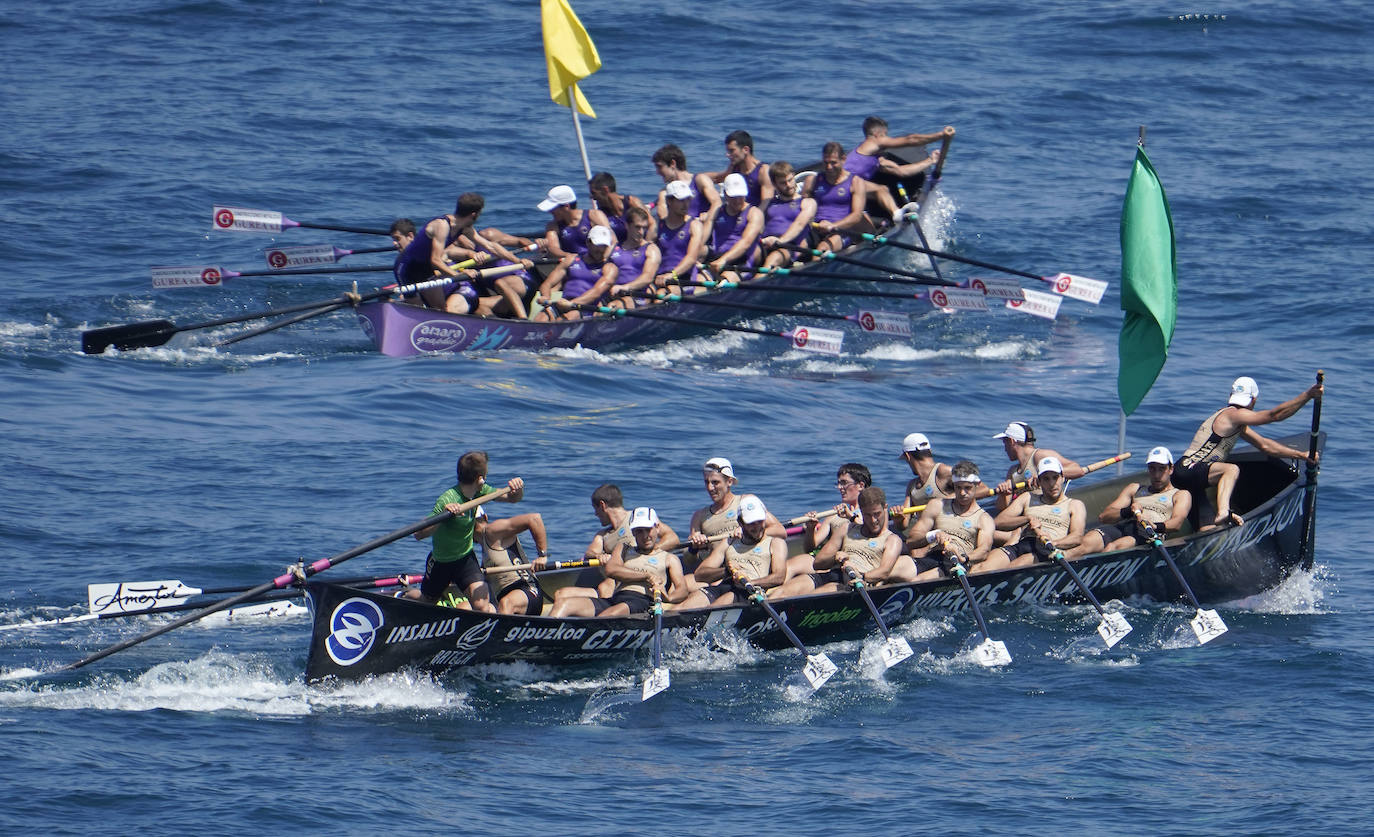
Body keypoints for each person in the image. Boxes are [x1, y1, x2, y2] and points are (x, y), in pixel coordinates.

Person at [1173, 375, 1323, 528]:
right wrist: (1307, 395)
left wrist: (1301, 455)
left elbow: (1265, 446)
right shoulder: (1233, 415)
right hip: (1190, 469)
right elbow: (1274, 415)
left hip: (1188, 477)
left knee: (1207, 528)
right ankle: (1224, 511)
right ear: (1254, 400)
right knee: (1230, 470)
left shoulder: (1233, 421)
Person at [408, 451, 526, 611]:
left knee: (482, 605)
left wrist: (517, 489)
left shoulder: (480, 491)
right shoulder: (448, 499)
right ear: (479, 478)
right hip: (441, 562)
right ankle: (405, 596)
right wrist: (444, 515)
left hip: (465, 560)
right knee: (426, 603)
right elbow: (419, 534)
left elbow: (512, 499)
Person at [543, 483, 680, 605]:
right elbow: (589, 554)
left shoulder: (637, 519)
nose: (595, 514)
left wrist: (651, 551)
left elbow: (672, 538)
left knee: (606, 587)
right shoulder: (603, 535)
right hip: (615, 579)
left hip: (641, 582)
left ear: (602, 505)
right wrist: (599, 555)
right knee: (561, 594)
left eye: (595, 509)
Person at [773, 486, 915, 597]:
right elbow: (818, 563)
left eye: (877, 514)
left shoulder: (892, 539)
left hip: (857, 585)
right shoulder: (846, 529)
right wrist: (835, 557)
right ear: (861, 513)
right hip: (834, 574)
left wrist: (860, 575)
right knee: (781, 593)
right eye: (867, 515)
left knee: (815, 595)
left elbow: (883, 572)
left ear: (885, 508)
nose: (873, 520)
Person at [548, 507, 688, 618]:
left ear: (657, 528)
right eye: (639, 531)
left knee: (607, 616)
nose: (645, 536)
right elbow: (611, 570)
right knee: (564, 603)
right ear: (633, 532)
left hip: (642, 602)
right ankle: (547, 639)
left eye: (648, 529)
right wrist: (646, 576)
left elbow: (682, 590)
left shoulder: (669, 558)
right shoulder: (624, 548)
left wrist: (668, 597)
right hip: (615, 598)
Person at [1067, 446, 1191, 558]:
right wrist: (1128, 511)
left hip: (1148, 534)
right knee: (1087, 541)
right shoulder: (1135, 488)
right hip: (1125, 526)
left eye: (1162, 469)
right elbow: (1104, 517)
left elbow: (1177, 523)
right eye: (1152, 469)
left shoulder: (1180, 494)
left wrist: (1155, 526)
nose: (1157, 474)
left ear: (1171, 469)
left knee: (1113, 547)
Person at [678, 496, 787, 609]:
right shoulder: (729, 542)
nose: (757, 527)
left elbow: (779, 577)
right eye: (751, 523)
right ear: (740, 522)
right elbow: (699, 575)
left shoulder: (775, 543)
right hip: (724, 586)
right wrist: (726, 571)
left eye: (759, 521)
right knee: (684, 606)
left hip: (748, 592)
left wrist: (752, 582)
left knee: (716, 607)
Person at [989, 457, 1087, 570]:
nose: (1051, 484)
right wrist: (1027, 519)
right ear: (1039, 482)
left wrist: (1054, 542)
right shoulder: (1027, 497)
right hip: (1023, 543)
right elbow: (998, 522)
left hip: (1046, 550)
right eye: (1046, 479)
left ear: (1063, 478)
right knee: (985, 565)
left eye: (1055, 477)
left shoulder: (1074, 505)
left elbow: (1077, 537)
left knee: (1017, 565)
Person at [392, 194, 487, 311]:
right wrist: (458, 275)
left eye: (397, 239)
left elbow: (482, 247)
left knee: (439, 308)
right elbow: (436, 260)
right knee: (417, 308)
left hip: (427, 270)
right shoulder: (443, 227)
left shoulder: (459, 231)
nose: (394, 244)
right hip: (406, 269)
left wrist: (514, 260)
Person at [845, 118, 953, 220]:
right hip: (846, 184)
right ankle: (897, 214)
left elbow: (901, 171)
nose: (886, 139)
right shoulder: (874, 142)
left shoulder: (875, 159)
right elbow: (911, 139)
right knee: (881, 189)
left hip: (850, 190)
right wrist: (941, 135)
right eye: (885, 135)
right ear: (877, 134)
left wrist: (930, 160)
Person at [905, 460, 996, 580]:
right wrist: (933, 535)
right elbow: (911, 540)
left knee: (916, 581)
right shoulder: (937, 506)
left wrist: (963, 557)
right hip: (932, 556)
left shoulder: (984, 519)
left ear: (977, 485)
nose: (962, 493)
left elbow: (984, 551)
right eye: (958, 488)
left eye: (967, 488)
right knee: (899, 565)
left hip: (956, 564)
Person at [991, 421, 1086, 511]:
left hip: (1045, 512)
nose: (1005, 449)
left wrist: (1044, 474)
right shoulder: (1013, 471)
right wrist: (1003, 494)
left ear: (1012, 441)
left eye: (1005, 443)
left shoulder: (1040, 456)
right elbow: (1002, 507)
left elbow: (1078, 470)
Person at [534, 225, 620, 321]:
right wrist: (546, 298)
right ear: (588, 242)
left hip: (587, 308)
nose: (600, 250)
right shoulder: (571, 259)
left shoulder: (610, 268)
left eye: (604, 246)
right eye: (597, 245)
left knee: (569, 317)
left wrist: (572, 304)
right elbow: (547, 284)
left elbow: (596, 293)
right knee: (541, 318)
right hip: (564, 303)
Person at [804, 142, 871, 253]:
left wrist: (833, 226)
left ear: (843, 159)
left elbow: (856, 216)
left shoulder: (856, 182)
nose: (829, 167)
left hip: (841, 231)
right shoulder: (813, 180)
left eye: (833, 163)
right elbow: (801, 208)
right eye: (826, 162)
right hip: (815, 228)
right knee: (796, 246)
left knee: (822, 250)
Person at [481, 511, 550, 616]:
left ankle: (501, 632)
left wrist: (542, 556)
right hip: (500, 599)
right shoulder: (471, 546)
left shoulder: (493, 531)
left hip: (527, 590)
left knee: (506, 603)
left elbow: (534, 518)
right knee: (464, 607)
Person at [891, 432, 955, 533]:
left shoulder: (944, 472)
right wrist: (899, 520)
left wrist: (952, 499)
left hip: (950, 532)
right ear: (929, 451)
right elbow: (904, 525)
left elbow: (984, 489)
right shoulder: (912, 487)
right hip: (927, 536)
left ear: (907, 456)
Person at [759, 161, 817, 270]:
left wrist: (779, 241)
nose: (789, 185)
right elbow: (754, 223)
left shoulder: (808, 202)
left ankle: (754, 285)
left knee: (774, 258)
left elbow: (799, 225)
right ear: (775, 184)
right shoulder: (767, 202)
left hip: (789, 246)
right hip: (766, 244)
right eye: (783, 183)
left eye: (790, 180)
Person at [706, 173, 764, 281]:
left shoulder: (754, 213)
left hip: (742, 262)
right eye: (733, 197)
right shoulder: (717, 212)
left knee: (725, 279)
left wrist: (724, 260)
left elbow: (746, 243)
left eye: (740, 196)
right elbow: (703, 237)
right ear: (725, 194)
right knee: (699, 279)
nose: (737, 201)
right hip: (717, 260)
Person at [653, 180, 708, 294]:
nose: (686, 204)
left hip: (683, 278)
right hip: (660, 278)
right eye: (681, 200)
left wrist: (671, 275)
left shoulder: (694, 225)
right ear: (669, 201)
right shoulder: (658, 226)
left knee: (661, 296)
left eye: (688, 199)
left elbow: (691, 258)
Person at [652, 143, 721, 226]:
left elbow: (717, 203)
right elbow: (663, 215)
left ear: (672, 164)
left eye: (660, 167)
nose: (657, 172)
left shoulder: (699, 180)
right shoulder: (664, 192)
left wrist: (708, 215)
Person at [607, 205, 662, 308]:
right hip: (613, 293)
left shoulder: (651, 249)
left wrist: (625, 287)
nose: (641, 232)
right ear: (627, 225)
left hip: (637, 295)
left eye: (644, 228)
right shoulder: (613, 248)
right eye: (637, 227)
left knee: (614, 306)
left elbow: (647, 277)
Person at [539, 184, 610, 260]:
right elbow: (553, 249)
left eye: (553, 208)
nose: (550, 212)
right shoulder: (552, 226)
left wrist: (603, 259)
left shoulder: (594, 215)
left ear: (566, 206)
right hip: (572, 264)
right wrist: (573, 257)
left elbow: (612, 241)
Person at [706, 130, 773, 208]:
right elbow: (718, 178)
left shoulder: (763, 171)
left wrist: (753, 217)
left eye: (731, 151)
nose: (727, 155)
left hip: (755, 215)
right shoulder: (734, 168)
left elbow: (766, 203)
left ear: (746, 150)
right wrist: (693, 178)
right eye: (728, 151)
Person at [588, 171, 651, 244]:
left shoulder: (631, 203)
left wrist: (646, 247)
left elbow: (652, 225)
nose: (592, 197)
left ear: (605, 190)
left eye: (594, 193)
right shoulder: (601, 214)